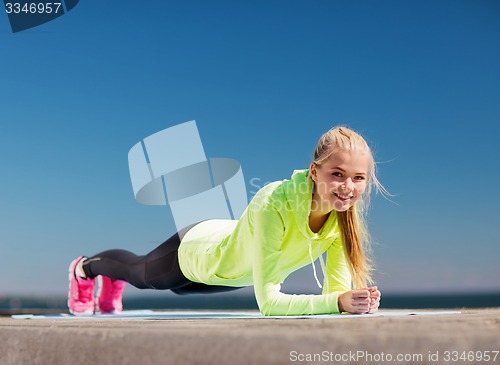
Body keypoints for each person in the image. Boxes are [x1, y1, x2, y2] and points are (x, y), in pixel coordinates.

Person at [68, 126, 386, 316]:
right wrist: (339, 302)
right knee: (143, 275)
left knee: (181, 291)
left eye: (359, 178)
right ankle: (86, 269)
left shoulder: (343, 221)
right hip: (200, 251)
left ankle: (110, 279)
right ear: (315, 172)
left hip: (233, 272)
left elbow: (335, 293)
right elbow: (269, 304)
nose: (349, 187)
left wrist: (353, 301)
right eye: (337, 174)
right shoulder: (274, 201)